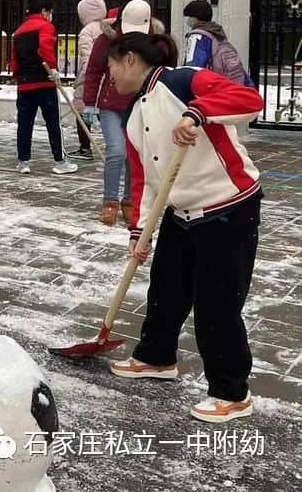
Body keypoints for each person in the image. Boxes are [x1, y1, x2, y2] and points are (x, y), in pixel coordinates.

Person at [104, 32, 263, 424]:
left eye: (110, 69)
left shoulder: (184, 80)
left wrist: (198, 113)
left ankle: (231, 392)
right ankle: (156, 358)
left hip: (227, 205)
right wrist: (140, 231)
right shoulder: (135, 115)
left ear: (129, 59)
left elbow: (249, 99)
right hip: (179, 210)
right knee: (167, 290)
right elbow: (145, 180)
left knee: (217, 303)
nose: (110, 79)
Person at [83, 0, 161, 225]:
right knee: (117, 151)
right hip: (111, 106)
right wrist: (89, 102)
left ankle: (130, 201)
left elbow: (165, 72)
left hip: (141, 105)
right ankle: (110, 202)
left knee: (135, 154)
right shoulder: (106, 40)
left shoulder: (157, 41)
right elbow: (94, 71)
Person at [9, 0, 77, 175]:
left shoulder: (17, 33)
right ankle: (60, 161)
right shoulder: (45, 26)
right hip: (44, 83)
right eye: (50, 12)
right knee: (53, 122)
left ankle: (23, 162)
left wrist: (18, 76)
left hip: (24, 85)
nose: (50, 15)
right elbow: (45, 49)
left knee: (24, 124)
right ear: (44, 11)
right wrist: (53, 69)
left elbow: (14, 60)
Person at [183, 0, 254, 86]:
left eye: (188, 16)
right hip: (229, 85)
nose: (187, 19)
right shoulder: (216, 32)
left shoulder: (197, 37)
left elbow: (193, 68)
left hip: (212, 88)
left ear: (195, 18)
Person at [72, 0, 108, 161]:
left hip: (90, 79)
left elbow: (88, 59)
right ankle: (114, 145)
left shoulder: (87, 31)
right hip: (109, 76)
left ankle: (85, 148)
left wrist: (88, 76)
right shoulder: (107, 27)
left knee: (81, 111)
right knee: (106, 112)